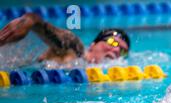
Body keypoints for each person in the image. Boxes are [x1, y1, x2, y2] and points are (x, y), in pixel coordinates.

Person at [0, 13, 130, 64]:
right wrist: (29, 21)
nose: (117, 50)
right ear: (93, 44)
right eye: (113, 42)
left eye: (123, 51)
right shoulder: (76, 50)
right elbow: (39, 23)